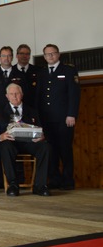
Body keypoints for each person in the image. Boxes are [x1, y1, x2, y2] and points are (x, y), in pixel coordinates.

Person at [0, 83, 51, 196]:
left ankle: (40, 185)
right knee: (5, 146)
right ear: (7, 96)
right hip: (10, 143)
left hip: (29, 142)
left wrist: (42, 136)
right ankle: (13, 184)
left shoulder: (32, 110)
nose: (15, 96)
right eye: (11, 94)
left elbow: (41, 128)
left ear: (22, 95)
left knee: (45, 146)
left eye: (17, 93)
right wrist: (1, 137)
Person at [38, 44, 80, 190]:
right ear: (44, 57)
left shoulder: (68, 70)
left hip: (64, 118)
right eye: (47, 54)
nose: (50, 56)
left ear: (58, 54)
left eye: (53, 53)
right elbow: (40, 97)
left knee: (65, 149)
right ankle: (55, 179)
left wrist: (71, 114)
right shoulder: (42, 73)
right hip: (47, 119)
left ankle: (68, 180)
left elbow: (74, 95)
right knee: (51, 150)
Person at [0, 46, 26, 188]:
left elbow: (25, 95)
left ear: (12, 57)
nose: (6, 58)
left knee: (18, 145)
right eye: (3, 56)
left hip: (18, 116)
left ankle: (19, 178)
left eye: (9, 56)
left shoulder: (20, 74)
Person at [15, 44, 42, 108]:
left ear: (29, 56)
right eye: (21, 53)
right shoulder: (11, 71)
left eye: (27, 54)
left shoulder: (38, 71)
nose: (24, 56)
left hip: (35, 108)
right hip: (18, 108)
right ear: (17, 55)